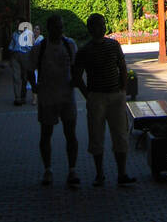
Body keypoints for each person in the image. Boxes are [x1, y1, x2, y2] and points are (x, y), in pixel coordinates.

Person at [72, 13, 136, 187]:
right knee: (96, 136)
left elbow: (122, 67)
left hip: (113, 96)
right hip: (98, 97)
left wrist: (122, 89)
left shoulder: (113, 45)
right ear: (91, 29)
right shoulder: (84, 51)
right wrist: (89, 96)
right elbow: (76, 77)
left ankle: (120, 173)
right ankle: (100, 174)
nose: (101, 28)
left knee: (120, 135)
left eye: (102, 24)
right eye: (98, 25)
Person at [31, 14, 80, 187]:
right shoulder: (41, 48)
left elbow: (77, 66)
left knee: (70, 134)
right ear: (49, 28)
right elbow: (30, 69)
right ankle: (48, 169)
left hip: (66, 96)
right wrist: (35, 86)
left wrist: (76, 81)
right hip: (48, 97)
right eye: (57, 27)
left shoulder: (69, 44)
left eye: (61, 26)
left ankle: (72, 169)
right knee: (46, 134)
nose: (60, 30)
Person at [8, 20, 34, 105]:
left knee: (24, 77)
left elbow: (31, 46)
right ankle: (17, 98)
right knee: (16, 76)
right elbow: (11, 46)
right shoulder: (14, 34)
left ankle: (23, 96)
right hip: (15, 55)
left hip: (25, 55)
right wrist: (11, 54)